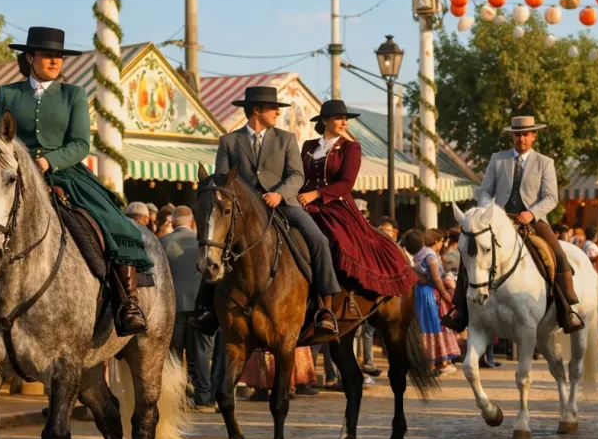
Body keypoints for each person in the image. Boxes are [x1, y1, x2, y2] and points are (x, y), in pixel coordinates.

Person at [0, 27, 151, 337]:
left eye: (58, 56)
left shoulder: (74, 94)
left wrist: (48, 161)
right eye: (48, 55)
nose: (55, 61)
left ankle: (128, 303)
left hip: (65, 172)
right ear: (30, 57)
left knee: (117, 223)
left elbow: (81, 144)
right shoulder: (7, 92)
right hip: (12, 172)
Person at [190, 85, 341, 340]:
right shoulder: (229, 141)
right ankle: (207, 310)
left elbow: (297, 175)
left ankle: (324, 309)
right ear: (257, 111)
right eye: (273, 109)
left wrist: (279, 193)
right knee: (214, 245)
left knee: (319, 240)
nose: (277, 114)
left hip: (282, 204)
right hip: (243, 212)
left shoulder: (286, 138)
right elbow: (223, 180)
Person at [443, 116, 585, 334]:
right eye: (518, 134)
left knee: (559, 255)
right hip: (499, 222)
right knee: (470, 253)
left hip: (532, 220)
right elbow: (485, 191)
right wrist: (487, 213)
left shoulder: (545, 162)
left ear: (534, 136)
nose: (522, 138)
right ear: (512, 135)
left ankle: (568, 310)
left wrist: (531, 213)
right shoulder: (497, 159)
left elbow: (550, 198)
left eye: (526, 134)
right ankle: (459, 310)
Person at [295, 99, 417, 299]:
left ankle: (329, 299)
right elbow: (301, 176)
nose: (344, 122)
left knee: (336, 238)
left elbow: (346, 184)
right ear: (325, 120)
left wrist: (315, 194)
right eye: (339, 118)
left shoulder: (351, 148)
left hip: (334, 205)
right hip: (303, 201)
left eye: (345, 119)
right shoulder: (308, 146)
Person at [161, 206, 212, 410]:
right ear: (191, 221)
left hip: (174, 307)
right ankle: (202, 396)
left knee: (174, 354)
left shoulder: (163, 242)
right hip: (200, 306)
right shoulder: (203, 242)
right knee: (200, 353)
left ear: (173, 221)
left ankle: (178, 398)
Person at [414, 229, 459, 374]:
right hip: (427, 294)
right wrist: (445, 294)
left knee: (424, 326)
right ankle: (431, 362)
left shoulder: (422, 252)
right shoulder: (430, 255)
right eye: (441, 242)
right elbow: (436, 278)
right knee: (432, 326)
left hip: (421, 292)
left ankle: (429, 362)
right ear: (435, 242)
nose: (442, 244)